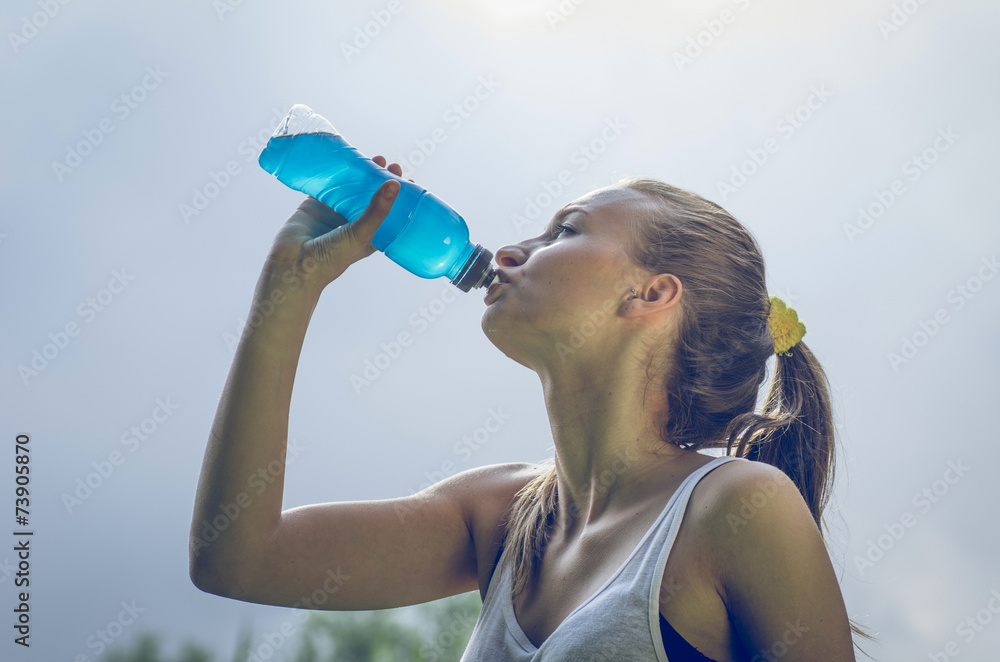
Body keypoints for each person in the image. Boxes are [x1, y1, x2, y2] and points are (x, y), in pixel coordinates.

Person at [190, 157, 864, 661]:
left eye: (563, 231)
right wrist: (289, 287)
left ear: (651, 294)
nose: (510, 251)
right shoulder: (501, 516)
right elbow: (238, 556)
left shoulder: (737, 506)